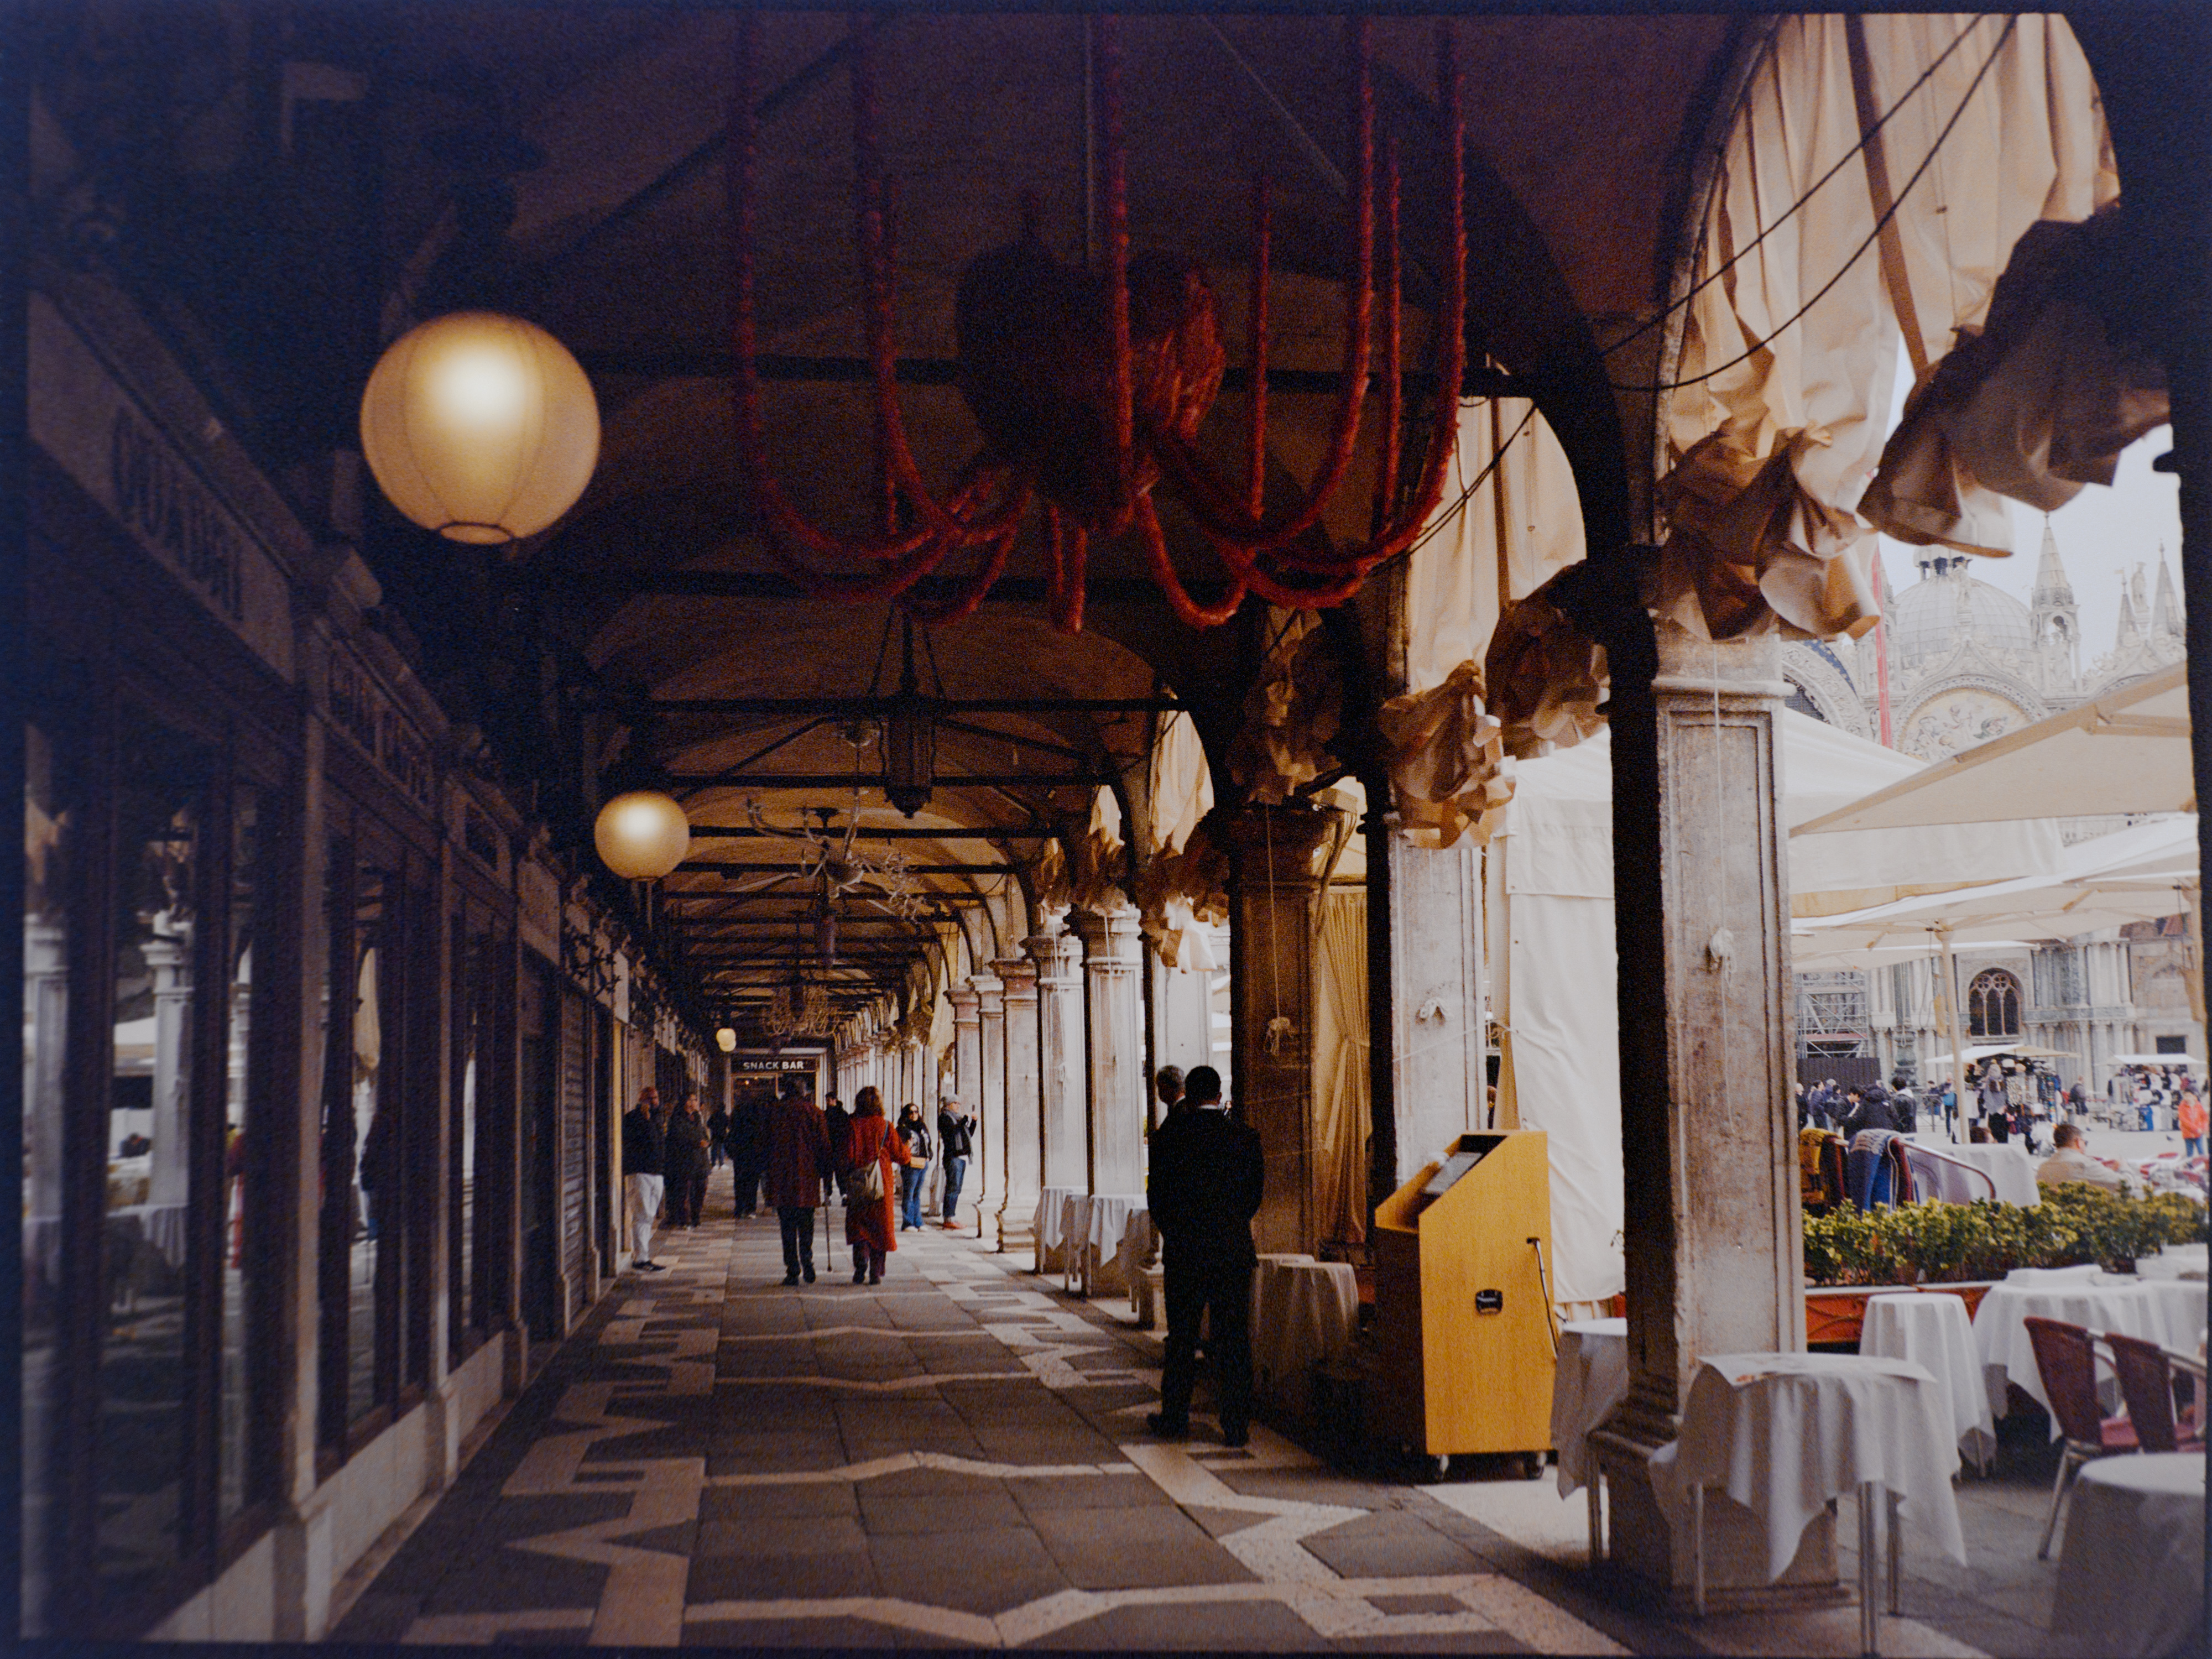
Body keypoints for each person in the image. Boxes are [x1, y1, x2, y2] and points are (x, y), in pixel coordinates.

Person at [1146, 1064, 1264, 1449]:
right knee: (1233, 1340)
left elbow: (1157, 1200)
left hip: (1185, 1253)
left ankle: (1175, 1416)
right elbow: (1253, 1198)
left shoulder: (1169, 1138)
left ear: (1190, 1095)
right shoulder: (1244, 1138)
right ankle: (1236, 1425)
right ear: (1217, 1095)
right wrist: (1228, 1228)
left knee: (1181, 1338)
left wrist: (1177, 1235)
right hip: (1231, 1252)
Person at [842, 1087, 915, 1285]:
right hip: (881, 1185)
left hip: (859, 1184)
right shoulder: (885, 1126)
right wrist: (907, 1149)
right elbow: (901, 1156)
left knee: (860, 1228)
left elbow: (846, 1156)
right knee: (880, 1229)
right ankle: (875, 1273)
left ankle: (860, 1266)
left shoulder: (853, 1125)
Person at [763, 1081, 834, 1285]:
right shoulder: (815, 1113)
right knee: (806, 1223)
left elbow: (766, 1143)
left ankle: (792, 1269)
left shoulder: (775, 1112)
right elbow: (824, 1147)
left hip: (782, 1178)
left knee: (787, 1226)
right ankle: (807, 1260)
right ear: (804, 1093)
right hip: (807, 1179)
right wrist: (827, 1177)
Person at [622, 1088, 668, 1272]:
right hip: (640, 1172)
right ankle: (641, 1259)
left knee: (649, 1215)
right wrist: (645, 1120)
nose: (653, 1101)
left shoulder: (658, 1118)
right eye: (649, 1099)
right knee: (642, 1214)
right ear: (641, 1100)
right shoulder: (632, 1118)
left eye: (656, 1098)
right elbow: (640, 1141)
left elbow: (659, 1143)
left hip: (657, 1172)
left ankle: (644, 1255)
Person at [2037, 1122, 2127, 1192]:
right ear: (2078, 1142)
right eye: (2085, 1142)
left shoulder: (2043, 1167)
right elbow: (2124, 1185)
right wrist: (2123, 1166)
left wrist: (2108, 1171)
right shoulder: (2084, 1164)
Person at [665, 1093, 711, 1227]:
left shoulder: (697, 1117)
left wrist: (707, 1142)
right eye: (692, 1099)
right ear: (685, 1102)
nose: (695, 1102)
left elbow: (703, 1133)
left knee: (701, 1189)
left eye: (696, 1099)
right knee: (685, 1192)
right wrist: (697, 1142)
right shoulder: (677, 1118)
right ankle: (684, 1220)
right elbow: (680, 1137)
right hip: (685, 1162)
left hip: (701, 1161)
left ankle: (696, 1217)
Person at [936, 1095, 976, 1229]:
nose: (958, 1105)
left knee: (957, 1188)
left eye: (959, 1103)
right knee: (953, 1188)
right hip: (952, 1157)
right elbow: (952, 1133)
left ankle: (952, 1216)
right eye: (955, 1103)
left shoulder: (957, 1119)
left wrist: (973, 1122)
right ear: (948, 1105)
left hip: (961, 1158)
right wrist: (965, 1120)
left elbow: (967, 1134)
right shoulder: (944, 1118)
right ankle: (949, 1218)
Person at [896, 1103, 934, 1231]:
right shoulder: (902, 1128)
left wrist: (930, 1155)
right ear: (906, 1114)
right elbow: (900, 1146)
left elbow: (928, 1143)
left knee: (917, 1194)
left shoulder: (922, 1127)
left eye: (916, 1112)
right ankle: (908, 1223)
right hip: (910, 1164)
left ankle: (918, 1222)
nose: (914, 1115)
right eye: (911, 1112)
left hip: (923, 1162)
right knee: (909, 1193)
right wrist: (907, 1145)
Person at [729, 1089, 765, 1217]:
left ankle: (740, 1208)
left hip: (740, 1152)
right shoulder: (757, 1111)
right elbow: (761, 1130)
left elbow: (732, 1131)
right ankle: (751, 1209)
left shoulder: (737, 1111)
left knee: (740, 1181)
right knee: (753, 1182)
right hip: (754, 1152)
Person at [2179, 1085, 2206, 1159]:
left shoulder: (2198, 1105)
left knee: (2201, 1151)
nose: (2187, 1098)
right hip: (2188, 1134)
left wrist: (2204, 1127)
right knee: (2190, 1153)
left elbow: (2204, 1117)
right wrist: (2196, 1129)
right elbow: (2184, 1121)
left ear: (2194, 1096)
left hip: (2198, 1134)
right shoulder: (2182, 1106)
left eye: (2189, 1096)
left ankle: (2205, 1166)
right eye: (2186, 1096)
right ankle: (2189, 1167)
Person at [706, 1097, 732, 1171]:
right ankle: (721, 1164)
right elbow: (729, 1126)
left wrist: (713, 1128)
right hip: (722, 1135)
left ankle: (714, 1163)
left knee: (714, 1149)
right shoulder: (725, 1116)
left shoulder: (713, 1115)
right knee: (721, 1149)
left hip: (714, 1134)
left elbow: (708, 1124)